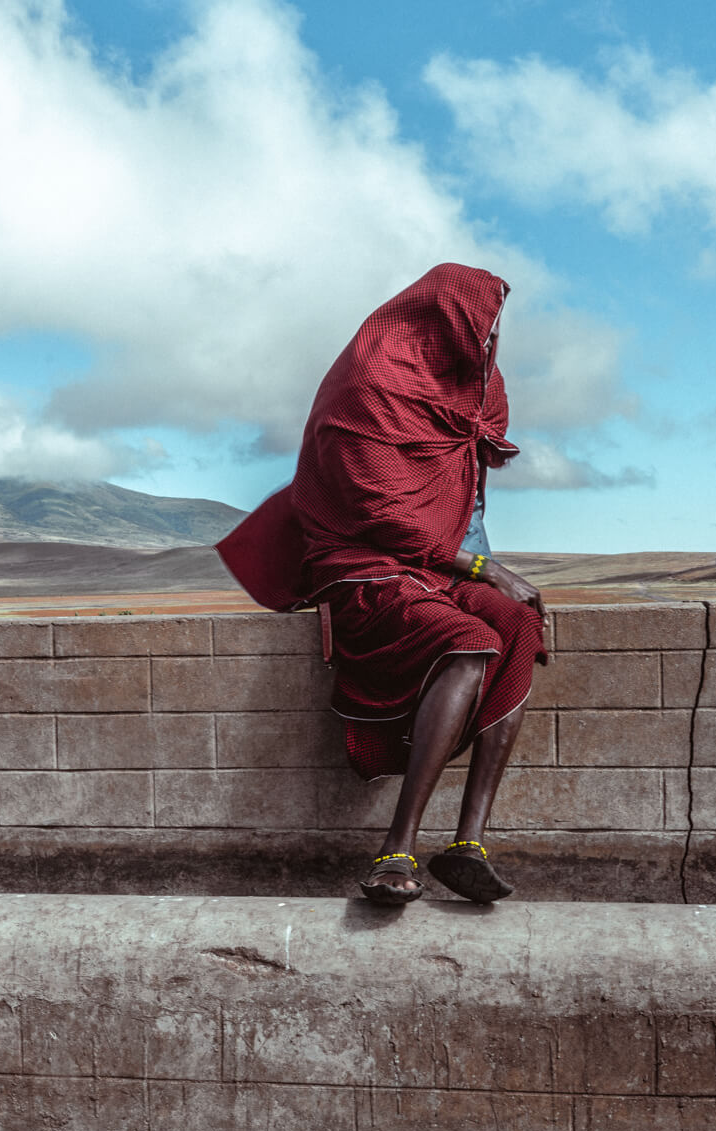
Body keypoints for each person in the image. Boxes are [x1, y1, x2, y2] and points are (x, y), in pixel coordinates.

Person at [216, 263, 548, 905]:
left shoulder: (471, 382)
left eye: (495, 328)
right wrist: (482, 568)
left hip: (436, 563)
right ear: (447, 317)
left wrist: (483, 567)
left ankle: (468, 844)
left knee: (518, 623)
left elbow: (461, 486)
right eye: (482, 325)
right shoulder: (371, 379)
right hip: (362, 563)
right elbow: (377, 505)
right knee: (468, 641)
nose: (490, 339)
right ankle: (397, 850)